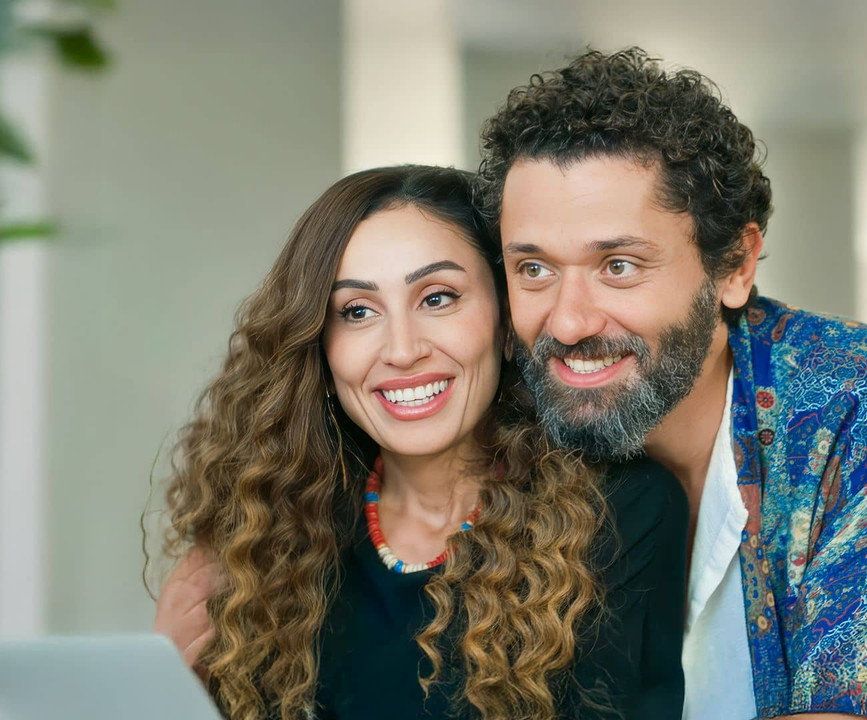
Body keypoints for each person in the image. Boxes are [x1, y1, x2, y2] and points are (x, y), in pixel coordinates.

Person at [474, 48, 867, 720]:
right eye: (533, 269)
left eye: (618, 265)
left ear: (734, 265)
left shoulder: (858, 400)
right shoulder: (498, 419)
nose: (568, 321)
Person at [153, 165, 687, 720]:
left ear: (506, 322)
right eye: (357, 311)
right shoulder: (270, 536)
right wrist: (170, 680)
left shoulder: (619, 512)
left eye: (437, 298)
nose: (402, 351)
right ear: (319, 348)